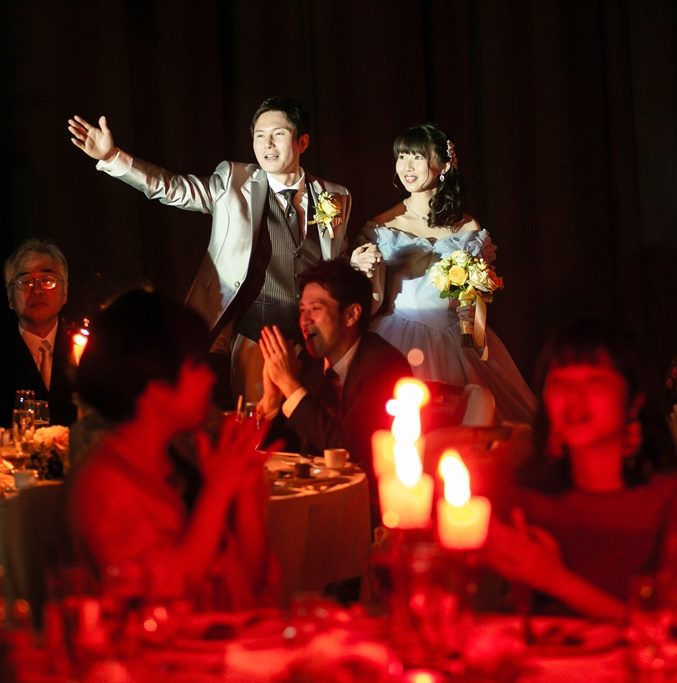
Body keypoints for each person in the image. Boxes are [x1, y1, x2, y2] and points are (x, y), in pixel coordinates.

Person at [67, 96, 352, 404]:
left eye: (278, 134)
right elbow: (171, 187)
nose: (267, 144)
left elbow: (335, 262)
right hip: (256, 334)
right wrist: (112, 157)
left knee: (316, 420)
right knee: (258, 423)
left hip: (316, 339)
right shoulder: (233, 182)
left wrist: (356, 262)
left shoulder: (336, 196)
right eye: (260, 136)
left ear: (302, 142)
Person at [68, 290, 278, 609]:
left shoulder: (179, 462)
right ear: (157, 389)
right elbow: (165, 597)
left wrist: (244, 491)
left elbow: (248, 585)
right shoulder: (105, 482)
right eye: (197, 366)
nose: (210, 378)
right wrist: (217, 492)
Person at [483, 319, 677, 621]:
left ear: (634, 401)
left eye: (595, 382)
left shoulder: (667, 498)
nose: (574, 398)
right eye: (560, 383)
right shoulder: (526, 493)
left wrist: (555, 579)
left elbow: (666, 630)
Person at [350, 124, 535, 424]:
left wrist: (471, 317)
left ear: (444, 165)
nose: (406, 167)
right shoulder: (384, 225)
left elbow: (474, 308)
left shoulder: (468, 227)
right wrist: (364, 271)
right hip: (399, 334)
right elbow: (373, 303)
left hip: (456, 339)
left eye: (417, 157)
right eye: (401, 157)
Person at [256, 259, 412, 504]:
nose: (304, 320)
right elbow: (282, 449)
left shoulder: (384, 366)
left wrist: (290, 386)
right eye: (302, 310)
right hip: (311, 495)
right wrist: (271, 401)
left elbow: (350, 451)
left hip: (364, 503)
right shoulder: (308, 363)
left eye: (315, 309)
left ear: (351, 314)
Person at [0, 239, 77, 427]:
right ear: (10, 298)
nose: (37, 290)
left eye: (48, 281)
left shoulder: (85, 353)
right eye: (25, 282)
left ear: (65, 292)